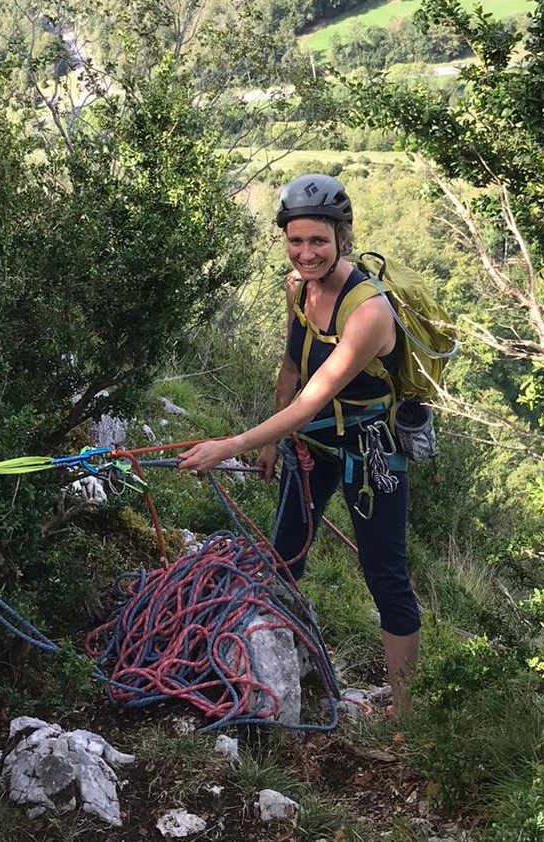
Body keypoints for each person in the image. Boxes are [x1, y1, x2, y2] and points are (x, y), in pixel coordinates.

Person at [177, 173, 420, 715]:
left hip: (369, 454)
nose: (306, 253)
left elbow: (313, 399)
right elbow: (291, 366)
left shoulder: (368, 313)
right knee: (285, 554)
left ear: (342, 239)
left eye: (318, 241)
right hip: (310, 447)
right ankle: (276, 667)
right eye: (295, 240)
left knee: (385, 574)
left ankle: (407, 712)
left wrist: (233, 443)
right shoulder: (298, 287)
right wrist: (272, 442)